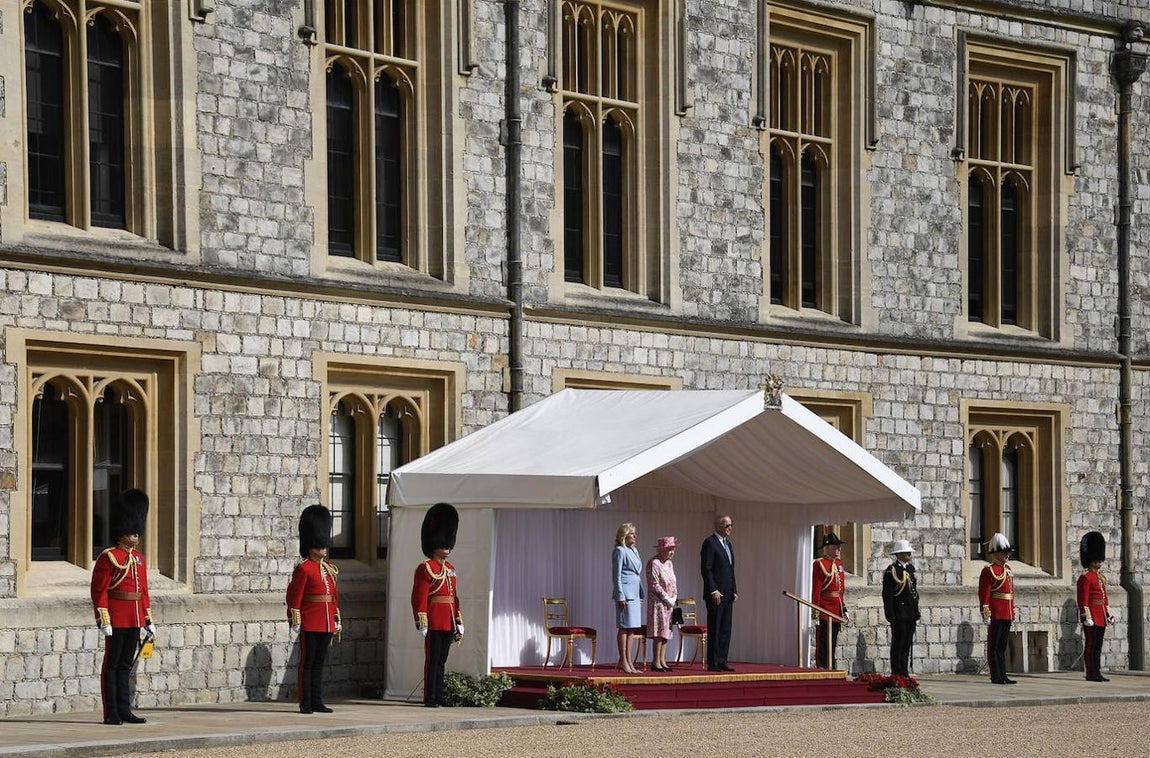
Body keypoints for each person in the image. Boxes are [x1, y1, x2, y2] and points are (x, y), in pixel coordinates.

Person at [90, 488, 155, 725]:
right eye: (132, 529)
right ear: (122, 530)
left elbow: (143, 591)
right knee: (113, 664)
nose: (136, 534)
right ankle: (111, 712)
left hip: (135, 617)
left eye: (138, 530)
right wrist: (103, 620)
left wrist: (148, 620)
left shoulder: (139, 559)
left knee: (126, 665)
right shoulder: (109, 557)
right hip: (116, 618)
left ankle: (125, 709)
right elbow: (99, 591)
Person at [286, 504, 342, 714]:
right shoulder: (304, 569)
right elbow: (294, 596)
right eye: (319, 545)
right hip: (310, 620)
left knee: (319, 663)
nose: (322, 549)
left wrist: (336, 618)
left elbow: (332, 597)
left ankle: (317, 700)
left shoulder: (329, 570)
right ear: (310, 545)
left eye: (324, 545)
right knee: (307, 663)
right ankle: (306, 702)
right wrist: (295, 619)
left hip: (326, 621)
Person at [411, 502, 463, 707]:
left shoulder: (450, 568)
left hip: (448, 620)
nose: (447, 548)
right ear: (434, 544)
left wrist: (458, 619)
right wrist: (421, 620)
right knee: (432, 661)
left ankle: (439, 695)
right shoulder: (425, 568)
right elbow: (418, 596)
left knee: (441, 661)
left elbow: (454, 597)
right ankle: (430, 697)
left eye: (449, 544)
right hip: (433, 619)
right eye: (444, 544)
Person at [979, 532, 1017, 685]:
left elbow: (1011, 594)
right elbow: (984, 593)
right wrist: (985, 612)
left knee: (1002, 647)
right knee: (994, 646)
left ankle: (1003, 674)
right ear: (996, 553)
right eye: (1003, 552)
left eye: (1007, 552)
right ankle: (996, 675)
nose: (1006, 555)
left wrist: (1012, 613)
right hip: (996, 612)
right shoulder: (989, 570)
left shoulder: (1007, 569)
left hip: (1006, 612)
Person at [700, 515, 737, 672]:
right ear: (719, 526)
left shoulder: (727, 544)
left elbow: (730, 570)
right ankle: (713, 661)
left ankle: (722, 659)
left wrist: (734, 589)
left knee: (725, 628)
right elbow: (706, 569)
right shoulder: (710, 543)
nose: (730, 528)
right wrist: (713, 590)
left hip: (728, 593)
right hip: (715, 593)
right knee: (715, 627)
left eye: (731, 525)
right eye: (727, 525)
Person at [881, 539, 920, 676]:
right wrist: (890, 614)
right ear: (899, 554)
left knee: (906, 644)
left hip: (910, 612)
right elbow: (888, 595)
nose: (910, 554)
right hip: (899, 612)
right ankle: (897, 671)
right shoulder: (892, 571)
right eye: (907, 552)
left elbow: (914, 592)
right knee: (898, 643)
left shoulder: (910, 569)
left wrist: (916, 610)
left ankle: (904, 670)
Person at [1077, 531, 1113, 682]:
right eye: (1097, 559)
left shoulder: (1100, 578)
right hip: (1092, 615)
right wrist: (1086, 617)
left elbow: (1104, 598)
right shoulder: (1085, 578)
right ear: (1091, 560)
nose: (1099, 562)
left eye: (1100, 559)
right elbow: (1083, 599)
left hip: (1101, 616)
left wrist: (1108, 613)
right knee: (1091, 645)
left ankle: (1097, 671)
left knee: (1098, 646)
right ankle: (1091, 673)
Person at [812, 531, 848, 669]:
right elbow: (816, 589)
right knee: (825, 640)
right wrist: (816, 610)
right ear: (828, 549)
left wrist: (843, 608)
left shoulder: (838, 564)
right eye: (836, 547)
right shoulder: (820, 564)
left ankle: (831, 664)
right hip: (825, 608)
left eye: (839, 547)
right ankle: (825, 665)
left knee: (833, 640)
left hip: (836, 607)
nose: (839, 550)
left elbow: (841, 590)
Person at [611, 522, 644, 674]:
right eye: (632, 534)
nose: (635, 536)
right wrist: (620, 595)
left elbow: (637, 573)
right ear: (624, 536)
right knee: (624, 626)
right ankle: (623, 660)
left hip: (635, 593)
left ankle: (628, 659)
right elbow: (616, 575)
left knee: (632, 628)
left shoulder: (634, 551)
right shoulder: (619, 551)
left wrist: (641, 592)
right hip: (625, 594)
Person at [645, 537, 679, 672]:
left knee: (666, 632)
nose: (671, 553)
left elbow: (673, 581)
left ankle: (663, 660)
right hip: (658, 602)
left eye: (673, 550)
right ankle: (656, 662)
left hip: (669, 603)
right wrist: (666, 597)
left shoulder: (669, 564)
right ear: (661, 550)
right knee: (658, 632)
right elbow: (654, 584)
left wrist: (674, 596)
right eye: (669, 550)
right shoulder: (654, 563)